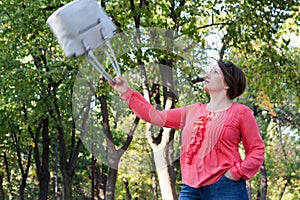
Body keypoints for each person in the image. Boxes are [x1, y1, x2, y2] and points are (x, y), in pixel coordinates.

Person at [110, 60, 265, 200]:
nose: (208, 75)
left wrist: (236, 173)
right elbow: (155, 116)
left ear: (227, 84)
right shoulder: (192, 111)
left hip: (225, 187)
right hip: (191, 188)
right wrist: (126, 91)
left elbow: (257, 149)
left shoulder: (241, 113)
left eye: (215, 72)